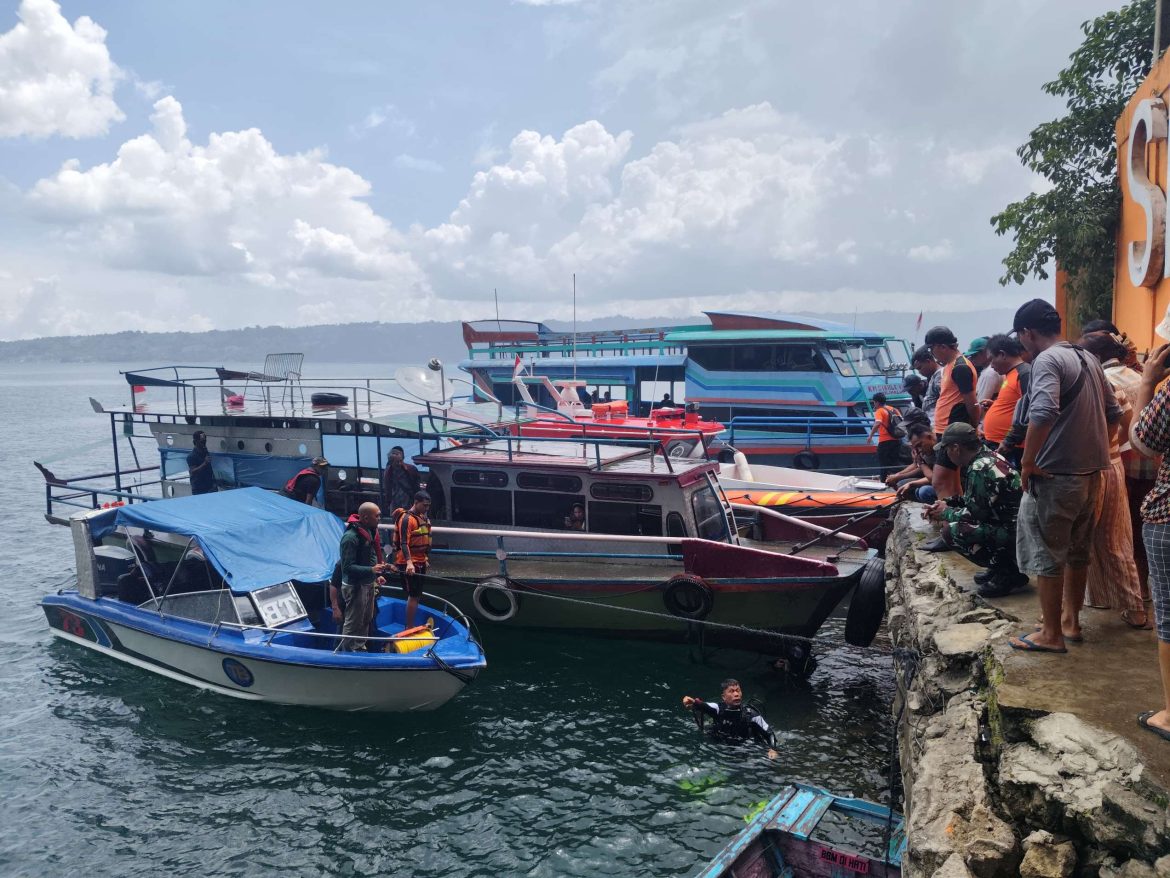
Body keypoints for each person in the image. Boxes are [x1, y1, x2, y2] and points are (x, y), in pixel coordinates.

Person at [1009, 299, 1121, 654]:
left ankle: (1051, 633)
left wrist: (1028, 462)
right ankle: (1071, 622)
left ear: (1027, 332)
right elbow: (1113, 412)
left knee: (1047, 554)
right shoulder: (1087, 357)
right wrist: (1094, 448)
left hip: (1055, 475)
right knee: (1077, 552)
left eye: (1020, 336)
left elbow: (1042, 411)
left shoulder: (1047, 360)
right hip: (1091, 475)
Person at [1079, 333, 1149, 627]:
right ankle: (1136, 601)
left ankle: (1103, 602)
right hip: (1128, 464)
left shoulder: (1101, 382)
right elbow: (1130, 421)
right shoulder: (1136, 376)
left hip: (1103, 467)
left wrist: (1109, 447)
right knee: (1123, 537)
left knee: (1089, 541)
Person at [923, 423, 1026, 596]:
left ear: (956, 448)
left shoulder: (980, 468)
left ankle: (1007, 573)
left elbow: (976, 514)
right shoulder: (989, 457)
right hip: (1014, 526)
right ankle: (1001, 565)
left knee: (953, 531)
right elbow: (979, 501)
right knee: (964, 524)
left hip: (1014, 533)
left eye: (946, 449)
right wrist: (948, 503)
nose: (946, 454)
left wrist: (945, 512)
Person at [1129, 341, 1170, 742]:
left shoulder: (1168, 393)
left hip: (1167, 515)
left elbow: (1143, 441)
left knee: (1169, 614)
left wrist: (1148, 383)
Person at [925, 326, 980, 498]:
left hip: (953, 431)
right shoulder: (950, 366)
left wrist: (973, 428)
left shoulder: (960, 367)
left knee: (939, 481)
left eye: (931, 349)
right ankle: (958, 519)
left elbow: (972, 403)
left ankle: (946, 520)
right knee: (953, 481)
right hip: (945, 430)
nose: (932, 355)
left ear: (942, 346)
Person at [682, 678, 778, 759]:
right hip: (718, 746)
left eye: (738, 690)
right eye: (731, 691)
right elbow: (704, 705)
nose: (736, 694)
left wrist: (773, 750)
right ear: (723, 697)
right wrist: (693, 702)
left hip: (744, 748)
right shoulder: (718, 708)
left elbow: (770, 734)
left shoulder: (752, 714)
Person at [337, 501, 389, 652]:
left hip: (368, 583)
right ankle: (348, 651)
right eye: (377, 516)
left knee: (366, 618)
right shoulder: (350, 538)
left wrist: (376, 575)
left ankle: (360, 647)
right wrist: (371, 570)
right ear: (366, 518)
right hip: (355, 586)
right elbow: (347, 568)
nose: (379, 518)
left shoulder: (370, 531)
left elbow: (370, 556)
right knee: (353, 621)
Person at [983, 335, 1031, 460]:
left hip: (1012, 447)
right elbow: (1016, 403)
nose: (991, 366)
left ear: (1002, 354)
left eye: (991, 359)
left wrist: (1010, 440)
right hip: (1001, 443)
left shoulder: (1024, 374)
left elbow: (1030, 410)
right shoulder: (1010, 374)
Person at [394, 490, 433, 630]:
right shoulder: (406, 519)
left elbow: (424, 539)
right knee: (413, 594)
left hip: (420, 560)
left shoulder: (422, 517)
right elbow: (404, 542)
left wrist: (425, 558)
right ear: (416, 502)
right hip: (408, 562)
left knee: (417, 594)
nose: (426, 508)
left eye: (428, 506)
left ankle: (410, 625)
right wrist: (409, 562)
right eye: (424, 505)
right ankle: (408, 627)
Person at [887, 423, 939, 502]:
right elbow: (916, 464)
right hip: (930, 476)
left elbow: (935, 478)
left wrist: (901, 477)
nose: (919, 449)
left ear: (929, 437)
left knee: (924, 491)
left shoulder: (939, 450)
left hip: (941, 482)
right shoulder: (924, 447)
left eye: (919, 445)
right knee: (902, 485)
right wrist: (897, 475)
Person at [866, 393, 903, 478]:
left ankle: (884, 480)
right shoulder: (894, 409)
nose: (874, 404)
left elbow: (878, 423)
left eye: (874, 402)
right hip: (897, 439)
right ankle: (897, 478)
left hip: (885, 440)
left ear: (877, 402)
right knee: (895, 461)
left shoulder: (880, 411)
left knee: (883, 462)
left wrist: (870, 436)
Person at [382, 446, 421, 515]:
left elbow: (416, 487)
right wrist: (388, 501)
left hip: (408, 500)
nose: (399, 463)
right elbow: (387, 488)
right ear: (391, 462)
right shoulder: (388, 472)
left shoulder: (411, 469)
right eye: (397, 462)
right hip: (395, 501)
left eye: (401, 461)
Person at [966, 336, 1004, 403]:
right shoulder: (988, 370)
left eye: (975, 355)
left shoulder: (989, 373)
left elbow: (981, 402)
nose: (972, 359)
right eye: (971, 356)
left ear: (984, 352)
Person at [912, 346, 941, 424]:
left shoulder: (941, 376)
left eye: (920, 368)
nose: (919, 372)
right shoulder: (932, 377)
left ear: (928, 362)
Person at [186, 430, 216, 495]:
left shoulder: (205, 452)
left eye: (205, 441)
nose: (204, 444)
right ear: (195, 442)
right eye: (201, 442)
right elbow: (192, 471)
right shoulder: (191, 456)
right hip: (198, 489)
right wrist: (204, 463)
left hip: (209, 486)